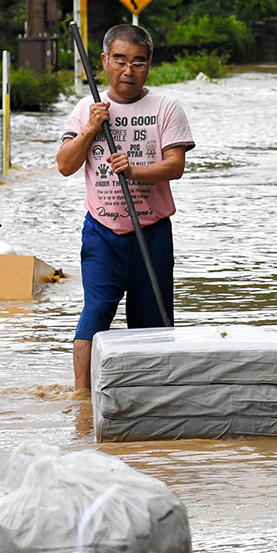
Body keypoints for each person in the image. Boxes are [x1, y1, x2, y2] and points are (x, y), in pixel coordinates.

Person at [57, 24, 195, 390]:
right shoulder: (87, 108)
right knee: (96, 311)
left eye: (137, 62)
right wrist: (90, 128)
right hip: (103, 231)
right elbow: (65, 165)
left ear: (149, 65)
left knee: (152, 321)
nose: (128, 71)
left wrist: (133, 170)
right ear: (104, 62)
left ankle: (152, 392)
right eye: (119, 61)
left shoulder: (166, 108)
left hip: (151, 232)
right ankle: (82, 398)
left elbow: (175, 166)